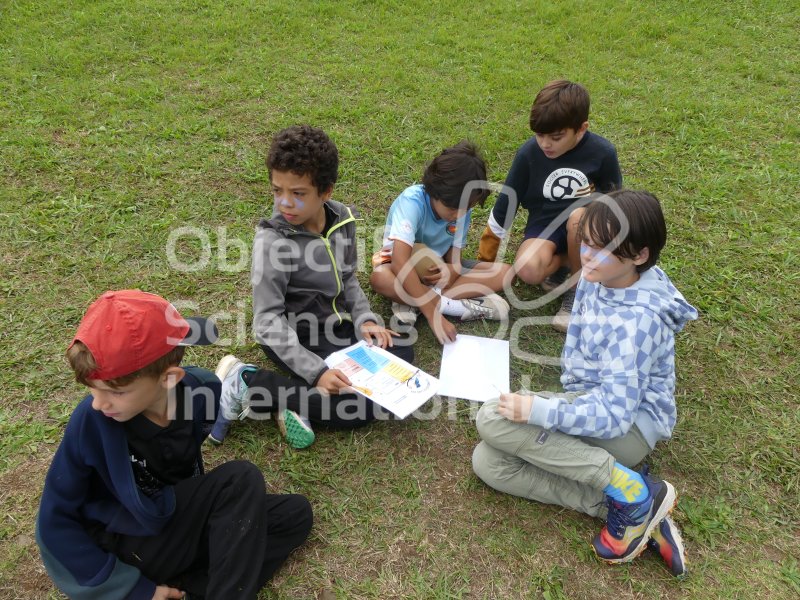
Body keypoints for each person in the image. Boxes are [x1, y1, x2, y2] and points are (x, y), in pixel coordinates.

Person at [472, 190, 697, 576]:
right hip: (590, 401)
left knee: (492, 419)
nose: (587, 255)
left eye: (601, 248)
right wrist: (563, 402)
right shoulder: (602, 274)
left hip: (627, 428)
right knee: (489, 463)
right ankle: (634, 502)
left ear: (639, 256)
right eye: (586, 243)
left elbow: (612, 415)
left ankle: (620, 482)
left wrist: (540, 410)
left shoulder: (638, 323)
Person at [36, 290, 312, 599]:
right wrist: (134, 591)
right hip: (125, 545)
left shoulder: (203, 392)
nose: (99, 403)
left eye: (115, 392)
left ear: (169, 378)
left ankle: (188, 591)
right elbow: (54, 522)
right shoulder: (91, 422)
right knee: (240, 480)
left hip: (168, 528)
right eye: (92, 390)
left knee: (294, 515)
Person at [209, 125, 414, 450]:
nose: (285, 203)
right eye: (278, 191)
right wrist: (316, 372)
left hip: (337, 329)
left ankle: (292, 401)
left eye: (298, 193)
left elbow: (347, 279)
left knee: (401, 353)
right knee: (355, 410)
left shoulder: (342, 220)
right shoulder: (273, 241)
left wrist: (365, 320)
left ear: (326, 192)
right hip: (293, 337)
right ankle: (246, 379)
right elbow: (267, 321)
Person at [477, 80, 622, 331]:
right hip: (546, 225)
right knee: (528, 270)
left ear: (581, 129)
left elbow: (615, 201)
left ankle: (577, 293)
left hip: (588, 229)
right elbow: (505, 206)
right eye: (540, 135)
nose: (545, 144)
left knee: (578, 218)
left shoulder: (603, 152)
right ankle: (566, 262)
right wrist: (484, 263)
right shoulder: (529, 154)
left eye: (556, 137)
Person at [370, 141, 514, 344]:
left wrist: (452, 270)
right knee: (379, 279)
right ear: (433, 191)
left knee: (506, 273)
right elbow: (400, 261)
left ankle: (410, 303)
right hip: (397, 266)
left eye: (466, 208)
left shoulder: (461, 208)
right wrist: (433, 315)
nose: (459, 215)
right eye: (452, 208)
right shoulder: (412, 202)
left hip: (436, 271)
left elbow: (455, 259)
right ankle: (452, 306)